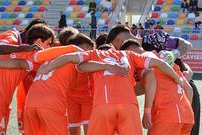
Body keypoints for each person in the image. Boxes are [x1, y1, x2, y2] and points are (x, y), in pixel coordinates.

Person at [37, 40, 183, 135]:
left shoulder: (95, 54)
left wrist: (48, 67)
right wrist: (177, 79)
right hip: (129, 106)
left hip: (104, 106)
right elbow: (159, 63)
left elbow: (70, 59)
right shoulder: (129, 55)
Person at [0, 24, 56, 135]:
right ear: (39, 42)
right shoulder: (33, 54)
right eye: (49, 43)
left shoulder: (9, 48)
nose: (50, 47)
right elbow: (18, 63)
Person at [121, 39, 194, 135]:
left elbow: (150, 79)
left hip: (165, 116)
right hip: (187, 117)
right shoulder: (166, 59)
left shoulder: (144, 59)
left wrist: (147, 111)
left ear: (129, 51)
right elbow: (188, 89)